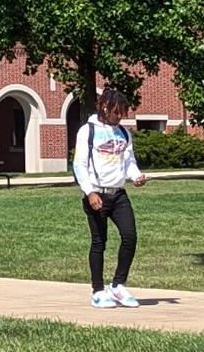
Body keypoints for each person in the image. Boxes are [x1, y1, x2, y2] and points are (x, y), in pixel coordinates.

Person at [74, 88, 148, 309]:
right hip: (97, 194)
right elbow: (79, 165)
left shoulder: (123, 133)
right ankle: (98, 291)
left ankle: (118, 286)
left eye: (122, 112)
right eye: (116, 112)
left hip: (118, 195)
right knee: (99, 242)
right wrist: (90, 192)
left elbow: (129, 162)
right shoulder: (87, 131)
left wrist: (136, 176)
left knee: (130, 237)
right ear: (104, 108)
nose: (119, 117)